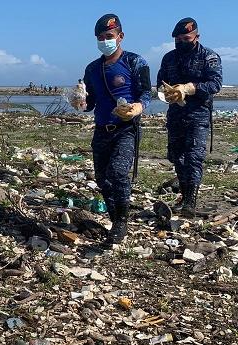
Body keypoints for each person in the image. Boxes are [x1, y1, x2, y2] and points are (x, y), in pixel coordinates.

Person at [71, 13, 151, 245]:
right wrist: (81, 103)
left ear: (120, 36)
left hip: (126, 128)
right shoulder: (92, 69)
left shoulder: (135, 62)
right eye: (100, 37)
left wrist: (137, 107)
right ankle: (115, 216)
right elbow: (91, 102)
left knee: (117, 172)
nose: (105, 40)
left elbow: (147, 92)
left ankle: (121, 222)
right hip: (101, 129)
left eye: (109, 36)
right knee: (102, 178)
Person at [156, 17, 222, 217]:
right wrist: (167, 92)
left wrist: (190, 88)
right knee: (177, 156)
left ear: (196, 36)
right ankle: (184, 195)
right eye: (178, 39)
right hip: (176, 112)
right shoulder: (169, 58)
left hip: (198, 113)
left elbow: (215, 84)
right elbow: (160, 81)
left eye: (186, 38)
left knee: (194, 156)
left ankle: (190, 201)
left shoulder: (209, 56)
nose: (181, 42)